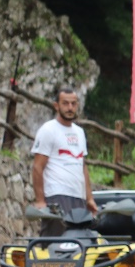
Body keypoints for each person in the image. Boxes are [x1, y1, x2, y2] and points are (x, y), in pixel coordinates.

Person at [31, 86, 97, 237]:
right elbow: (37, 167)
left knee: (78, 244)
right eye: (65, 103)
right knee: (54, 243)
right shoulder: (48, 130)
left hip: (77, 197)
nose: (70, 108)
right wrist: (40, 201)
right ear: (56, 105)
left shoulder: (80, 133)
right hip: (57, 195)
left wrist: (89, 198)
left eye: (73, 104)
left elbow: (82, 166)